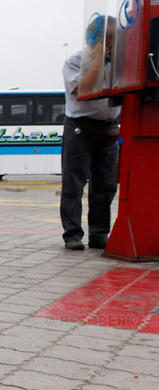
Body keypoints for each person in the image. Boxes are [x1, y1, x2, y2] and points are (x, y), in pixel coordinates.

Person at [60, 16, 121, 251]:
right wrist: (97, 57)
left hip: (108, 128)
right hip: (80, 128)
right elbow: (85, 88)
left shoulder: (121, 62)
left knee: (106, 186)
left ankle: (99, 233)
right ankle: (72, 233)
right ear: (95, 38)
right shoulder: (75, 61)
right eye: (110, 38)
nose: (115, 43)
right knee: (74, 183)